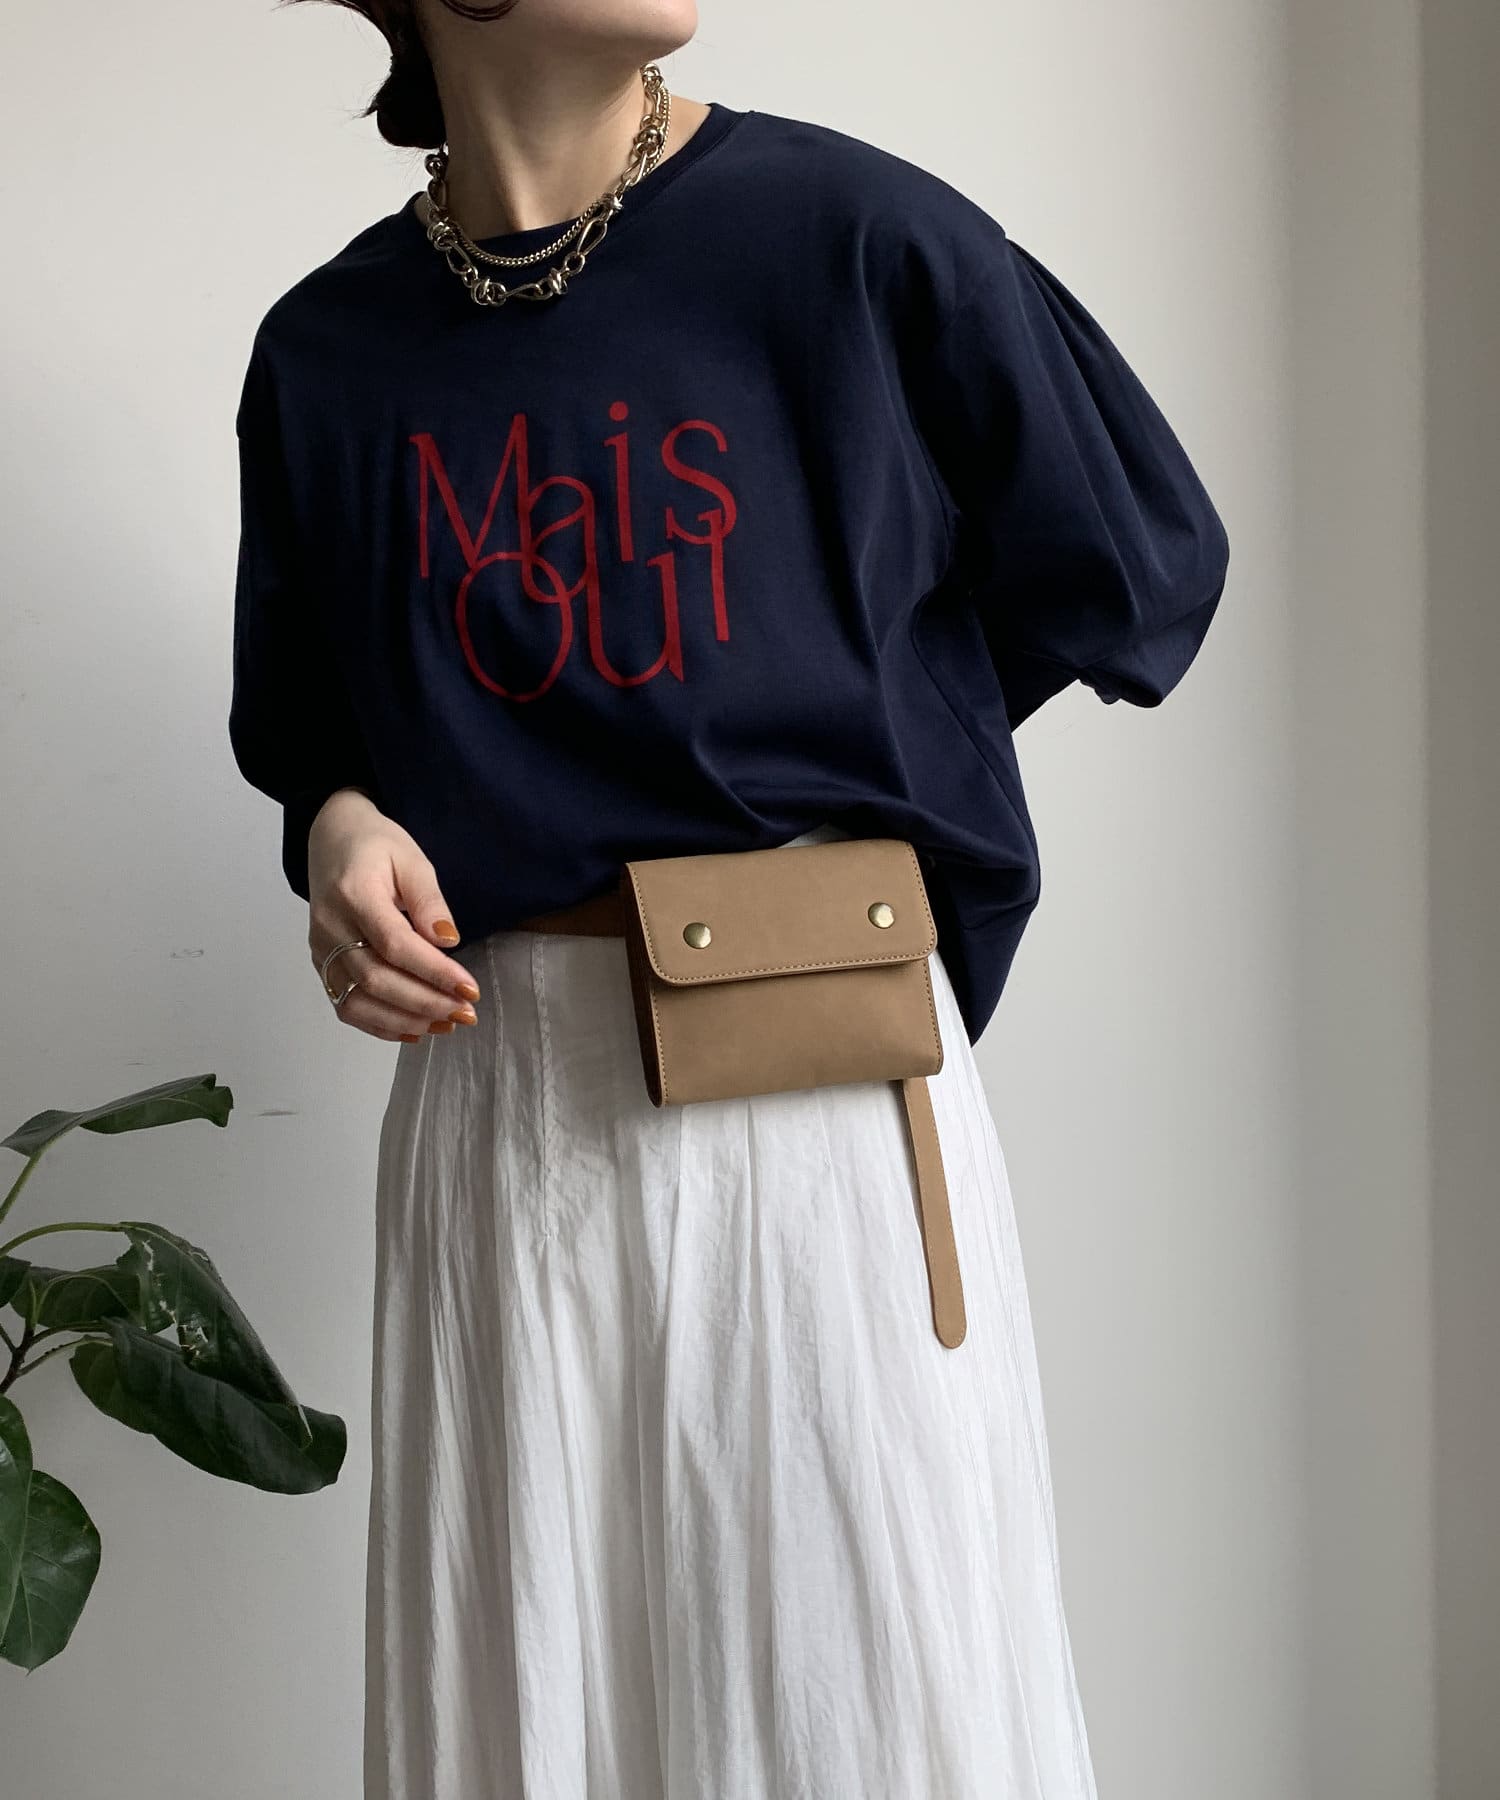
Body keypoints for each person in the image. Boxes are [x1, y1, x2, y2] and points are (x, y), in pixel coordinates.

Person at [227, 3, 1231, 1796]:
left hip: (816, 1104)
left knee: (862, 1713)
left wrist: (860, 755)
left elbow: (1137, 562)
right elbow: (315, 734)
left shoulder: (853, 237)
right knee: (531, 1703)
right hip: (499, 1114)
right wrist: (341, 831)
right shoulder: (329, 350)